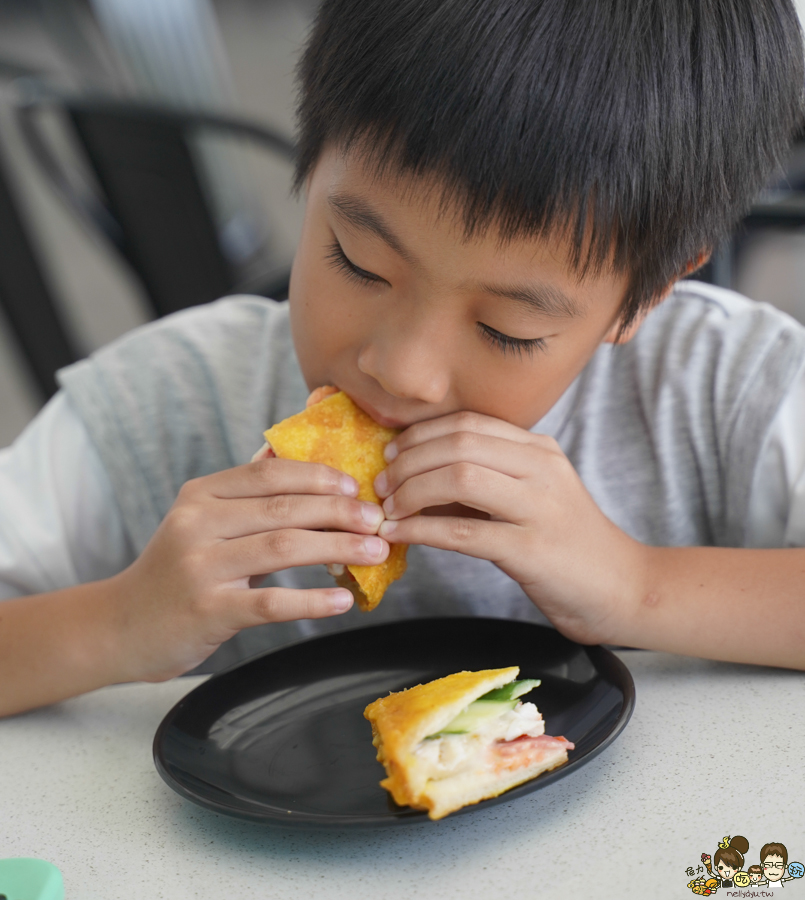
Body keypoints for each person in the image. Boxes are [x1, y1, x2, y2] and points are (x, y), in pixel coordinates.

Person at [1, 0, 805, 718]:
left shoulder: (723, 389)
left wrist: (638, 585)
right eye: (358, 264)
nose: (403, 372)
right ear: (309, 164)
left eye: (507, 329)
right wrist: (118, 623)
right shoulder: (163, 399)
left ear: (644, 297)